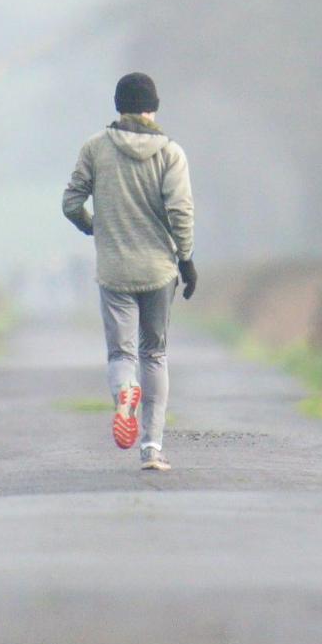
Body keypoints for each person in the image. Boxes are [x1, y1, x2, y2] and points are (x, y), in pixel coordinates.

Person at [62, 71, 196, 472]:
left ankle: (125, 391)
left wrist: (93, 225)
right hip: (159, 270)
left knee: (122, 353)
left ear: (118, 106)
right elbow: (180, 211)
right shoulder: (171, 153)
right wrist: (186, 258)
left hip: (115, 268)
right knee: (154, 353)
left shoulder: (95, 149)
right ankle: (152, 448)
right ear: (152, 109)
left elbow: (71, 202)